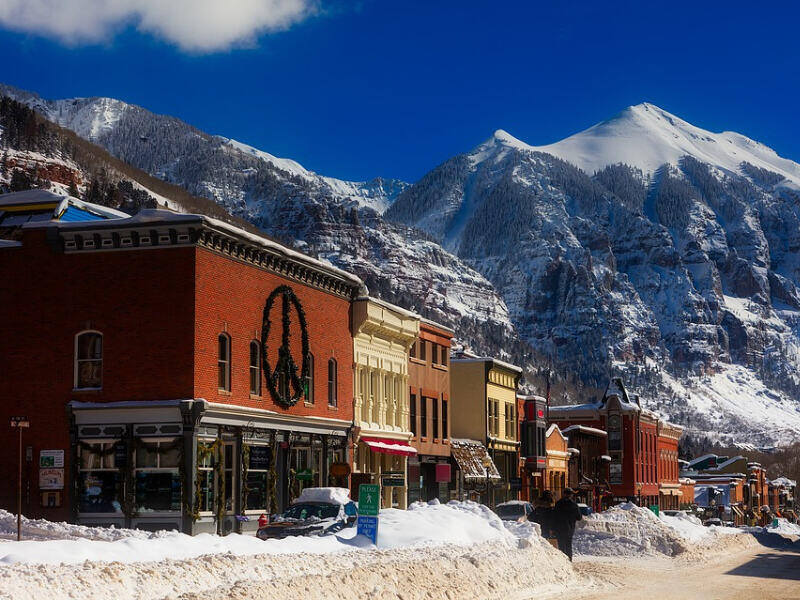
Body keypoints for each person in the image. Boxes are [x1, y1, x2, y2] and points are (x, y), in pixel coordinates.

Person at [552, 487, 582, 561]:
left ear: (564, 494)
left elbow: (554, 516)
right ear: (571, 495)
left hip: (559, 529)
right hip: (569, 528)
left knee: (561, 546)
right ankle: (569, 561)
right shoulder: (574, 505)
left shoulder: (558, 503)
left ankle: (562, 562)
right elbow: (579, 517)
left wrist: (553, 528)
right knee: (568, 545)